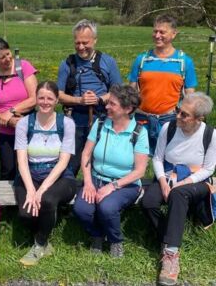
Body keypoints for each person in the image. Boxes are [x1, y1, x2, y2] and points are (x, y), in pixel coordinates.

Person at [141, 92, 216, 286]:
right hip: (168, 176)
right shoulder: (169, 127)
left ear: (199, 119)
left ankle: (171, 256)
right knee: (149, 202)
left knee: (179, 193)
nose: (178, 116)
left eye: (184, 115)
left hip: (195, 181)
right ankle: (168, 237)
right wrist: (163, 182)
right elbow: (157, 158)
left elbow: (208, 168)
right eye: (178, 111)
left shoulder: (210, 134)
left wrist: (185, 182)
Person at [73, 85, 149, 258]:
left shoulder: (139, 132)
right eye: (108, 103)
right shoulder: (100, 124)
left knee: (107, 207)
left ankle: (115, 241)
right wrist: (88, 182)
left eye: (112, 104)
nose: (106, 107)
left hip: (125, 184)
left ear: (128, 109)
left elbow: (140, 171)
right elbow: (86, 154)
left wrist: (112, 186)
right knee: (81, 209)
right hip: (96, 179)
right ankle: (97, 235)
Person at [14, 81, 78, 266]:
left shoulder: (66, 123)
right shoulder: (24, 123)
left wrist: (40, 190)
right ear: (35, 99)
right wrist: (30, 189)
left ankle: (40, 244)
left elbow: (64, 161)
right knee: (26, 214)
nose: (45, 102)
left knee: (47, 200)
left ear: (57, 100)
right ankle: (43, 238)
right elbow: (22, 161)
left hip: (59, 175)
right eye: (41, 97)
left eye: (50, 98)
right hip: (30, 174)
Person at [57, 19, 123, 176]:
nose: (81, 47)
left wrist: (100, 99)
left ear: (95, 40)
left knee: (100, 162)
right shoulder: (67, 63)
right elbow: (57, 95)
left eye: (85, 42)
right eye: (77, 43)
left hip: (102, 119)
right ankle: (67, 190)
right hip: (74, 121)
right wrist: (79, 100)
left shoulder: (108, 62)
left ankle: (98, 190)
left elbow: (118, 90)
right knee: (70, 164)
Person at [129, 14, 198, 154]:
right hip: (142, 119)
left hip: (170, 120)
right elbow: (131, 91)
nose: (157, 35)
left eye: (162, 32)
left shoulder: (184, 62)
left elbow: (190, 95)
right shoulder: (142, 60)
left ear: (173, 34)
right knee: (135, 160)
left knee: (166, 162)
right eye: (155, 31)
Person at [0, 36, 38, 180]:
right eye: (2, 57)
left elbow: (34, 98)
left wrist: (11, 112)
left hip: (28, 123)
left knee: (31, 164)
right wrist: (3, 118)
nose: (7, 59)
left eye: (8, 53)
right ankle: (9, 200)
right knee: (9, 168)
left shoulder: (23, 67)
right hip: (3, 129)